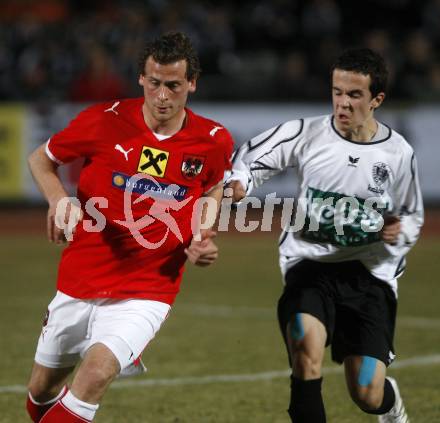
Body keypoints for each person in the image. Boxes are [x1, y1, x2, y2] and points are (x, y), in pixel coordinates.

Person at [26, 31, 234, 423]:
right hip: (82, 275)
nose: (162, 96)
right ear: (141, 78)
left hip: (148, 287)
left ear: (192, 83)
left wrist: (203, 235)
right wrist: (59, 199)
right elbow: (42, 158)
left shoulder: (213, 140)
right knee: (41, 390)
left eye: (173, 85)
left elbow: (214, 186)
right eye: (154, 83)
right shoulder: (102, 121)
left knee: (96, 373)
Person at [227, 48, 423, 422]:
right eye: (337, 92)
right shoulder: (307, 133)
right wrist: (239, 184)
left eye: (354, 95)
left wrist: (401, 231)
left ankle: (390, 404)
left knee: (366, 393)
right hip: (310, 265)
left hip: (370, 278)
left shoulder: (398, 153)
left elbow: (413, 214)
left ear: (376, 100)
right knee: (304, 350)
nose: (342, 103)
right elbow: (251, 159)